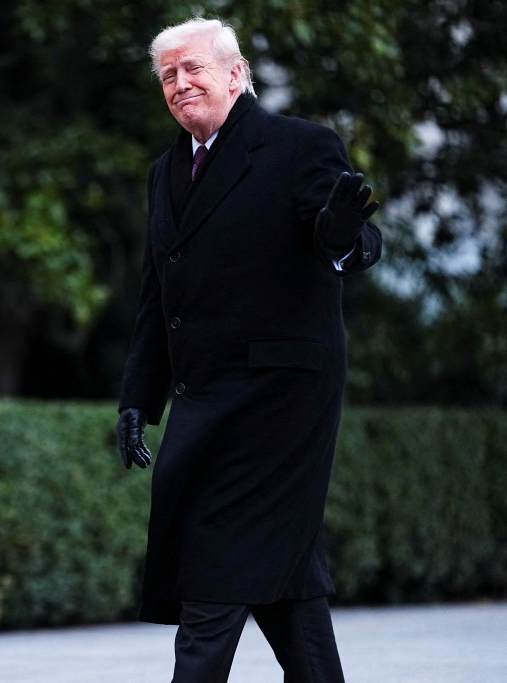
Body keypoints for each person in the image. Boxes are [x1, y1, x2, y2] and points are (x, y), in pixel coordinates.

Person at [115, 17, 383, 683]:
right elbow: (158, 295)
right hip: (204, 401)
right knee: (286, 583)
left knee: (215, 565)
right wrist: (137, 397)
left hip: (279, 403)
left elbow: (349, 236)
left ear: (235, 74)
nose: (180, 83)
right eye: (168, 75)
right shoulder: (165, 172)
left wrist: (342, 237)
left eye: (193, 68)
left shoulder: (298, 145)